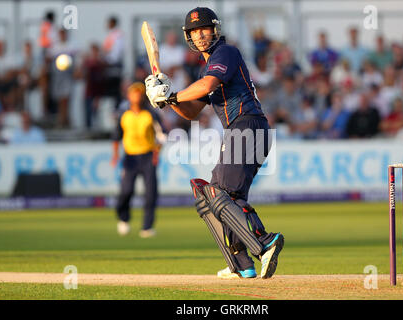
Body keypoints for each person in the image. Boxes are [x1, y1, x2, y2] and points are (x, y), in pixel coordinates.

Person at [144, 7, 284, 279]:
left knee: (221, 195)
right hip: (242, 130)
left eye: (204, 29)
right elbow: (192, 111)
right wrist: (168, 100)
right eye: (194, 32)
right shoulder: (208, 66)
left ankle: (265, 242)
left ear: (215, 29)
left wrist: (172, 93)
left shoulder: (225, 53)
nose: (199, 35)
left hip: (248, 125)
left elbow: (207, 86)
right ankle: (241, 263)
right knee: (211, 197)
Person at [111, 82, 164, 238]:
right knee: (126, 191)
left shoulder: (150, 114)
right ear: (129, 96)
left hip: (147, 156)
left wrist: (156, 153)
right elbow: (116, 137)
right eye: (134, 93)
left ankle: (147, 227)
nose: (137, 96)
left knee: (150, 193)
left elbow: (162, 135)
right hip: (130, 157)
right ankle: (123, 218)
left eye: (139, 94)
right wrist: (115, 155)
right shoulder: (124, 115)